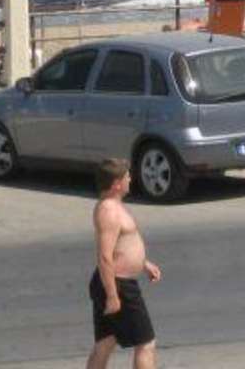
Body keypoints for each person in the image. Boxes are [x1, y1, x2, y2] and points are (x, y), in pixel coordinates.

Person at [88, 158, 160, 369]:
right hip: (119, 286)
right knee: (146, 344)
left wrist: (143, 263)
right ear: (116, 184)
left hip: (113, 283)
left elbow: (123, 245)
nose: (130, 179)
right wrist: (113, 296)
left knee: (105, 343)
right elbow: (105, 256)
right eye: (127, 176)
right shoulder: (109, 211)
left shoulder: (114, 206)